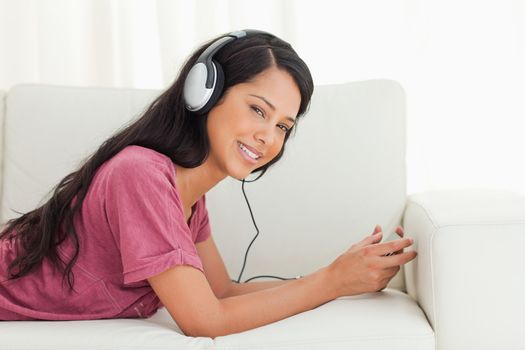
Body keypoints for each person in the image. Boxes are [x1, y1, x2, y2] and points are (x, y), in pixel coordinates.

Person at [0, 29, 417, 337]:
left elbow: (220, 293)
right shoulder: (140, 175)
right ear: (205, 93)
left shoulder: (188, 200)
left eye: (283, 126)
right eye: (258, 110)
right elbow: (204, 320)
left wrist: (340, 274)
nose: (269, 137)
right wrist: (332, 282)